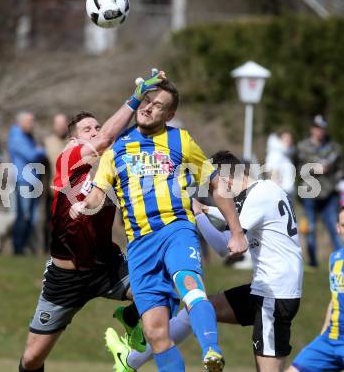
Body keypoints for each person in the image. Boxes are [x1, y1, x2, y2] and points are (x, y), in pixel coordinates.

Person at [70, 82, 248, 372]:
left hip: (176, 229)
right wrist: (82, 207)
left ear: (170, 114)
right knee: (155, 332)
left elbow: (215, 183)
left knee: (190, 285)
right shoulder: (116, 148)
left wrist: (236, 231)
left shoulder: (181, 140)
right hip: (139, 244)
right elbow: (97, 194)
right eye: (147, 100)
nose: (149, 107)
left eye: (159, 105)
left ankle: (212, 351)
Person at [18, 70, 165, 372]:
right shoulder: (68, 157)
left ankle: (130, 327)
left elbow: (138, 135)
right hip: (66, 278)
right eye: (88, 129)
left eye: (97, 126)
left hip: (106, 265)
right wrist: (135, 97)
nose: (96, 131)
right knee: (33, 359)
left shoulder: (111, 167)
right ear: (74, 139)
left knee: (159, 290)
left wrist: (153, 100)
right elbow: (108, 137)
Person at [107, 150, 303, 372]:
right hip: (265, 289)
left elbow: (224, 247)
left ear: (226, 179)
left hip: (275, 296)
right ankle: (130, 361)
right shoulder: (267, 190)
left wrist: (197, 215)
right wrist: (205, 209)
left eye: (215, 188)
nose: (217, 194)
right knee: (200, 308)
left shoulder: (257, 197)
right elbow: (235, 216)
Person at [287, 206, 344, 372]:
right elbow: (334, 300)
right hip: (330, 338)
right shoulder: (335, 258)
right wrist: (322, 333)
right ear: (338, 228)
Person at [297, 114, 343, 267]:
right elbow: (297, 169)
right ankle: (313, 263)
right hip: (310, 193)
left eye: (322, 128)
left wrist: (336, 178)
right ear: (312, 129)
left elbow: (340, 169)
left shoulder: (334, 147)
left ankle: (341, 258)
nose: (319, 132)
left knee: (335, 227)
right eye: (317, 128)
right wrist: (315, 168)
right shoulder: (302, 147)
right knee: (310, 228)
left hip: (329, 194)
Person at [8, 111, 46, 255]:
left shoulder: (28, 136)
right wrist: (41, 150)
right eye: (30, 121)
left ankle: (25, 247)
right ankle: (18, 248)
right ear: (21, 122)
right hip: (23, 181)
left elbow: (35, 154)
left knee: (32, 216)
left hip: (33, 180)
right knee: (23, 215)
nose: (32, 125)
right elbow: (31, 155)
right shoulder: (17, 136)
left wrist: (38, 151)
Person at [43, 113, 69, 253]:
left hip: (70, 191)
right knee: (50, 222)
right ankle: (48, 249)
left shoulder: (73, 142)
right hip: (52, 190)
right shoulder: (46, 142)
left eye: (63, 123)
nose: (60, 127)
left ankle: (66, 251)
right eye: (57, 124)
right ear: (54, 126)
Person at [265, 129, 295, 197]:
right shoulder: (275, 154)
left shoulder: (287, 154)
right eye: (286, 138)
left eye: (290, 138)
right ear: (280, 139)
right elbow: (272, 172)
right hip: (279, 192)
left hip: (287, 191)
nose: (288, 140)